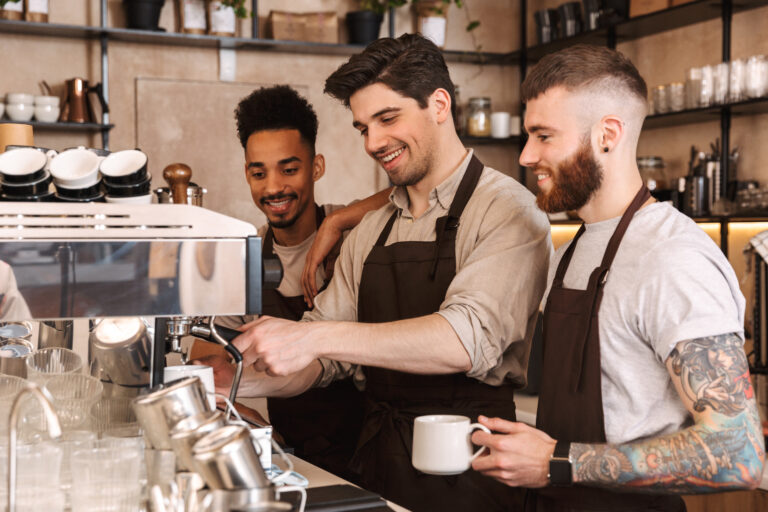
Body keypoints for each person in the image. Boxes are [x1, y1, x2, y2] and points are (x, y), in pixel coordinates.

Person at [216, 34, 552, 512]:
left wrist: (313, 339)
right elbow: (319, 361)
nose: (372, 143)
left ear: (439, 105)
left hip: (473, 472)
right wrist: (223, 384)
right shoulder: (372, 227)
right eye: (362, 128)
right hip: (378, 466)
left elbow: (466, 338)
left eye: (387, 119)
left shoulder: (508, 211)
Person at [470, 45, 765, 511]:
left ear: (608, 135)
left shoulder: (673, 258)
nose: (526, 155)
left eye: (544, 135)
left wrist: (558, 462)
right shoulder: (569, 251)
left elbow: (738, 454)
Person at [199, 85, 389, 479]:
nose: (273, 188)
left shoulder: (355, 234)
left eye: (289, 169)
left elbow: (415, 188)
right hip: (294, 455)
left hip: (370, 452)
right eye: (258, 172)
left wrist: (338, 220)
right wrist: (233, 406)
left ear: (316, 167)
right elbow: (209, 359)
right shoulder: (244, 257)